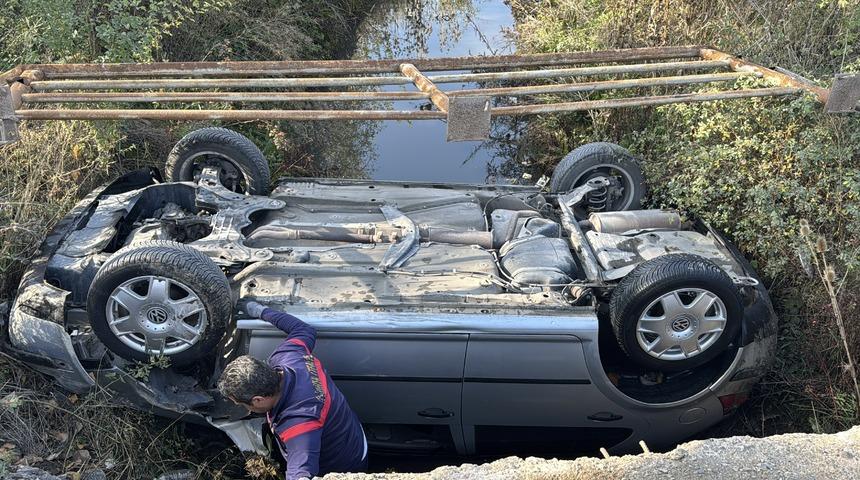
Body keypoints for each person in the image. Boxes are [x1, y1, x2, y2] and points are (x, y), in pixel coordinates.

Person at [217, 300, 367, 479]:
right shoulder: (288, 356)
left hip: (344, 465)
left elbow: (301, 472)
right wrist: (259, 310)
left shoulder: (299, 424)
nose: (246, 409)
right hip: (349, 432)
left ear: (258, 400)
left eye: (243, 404)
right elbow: (304, 330)